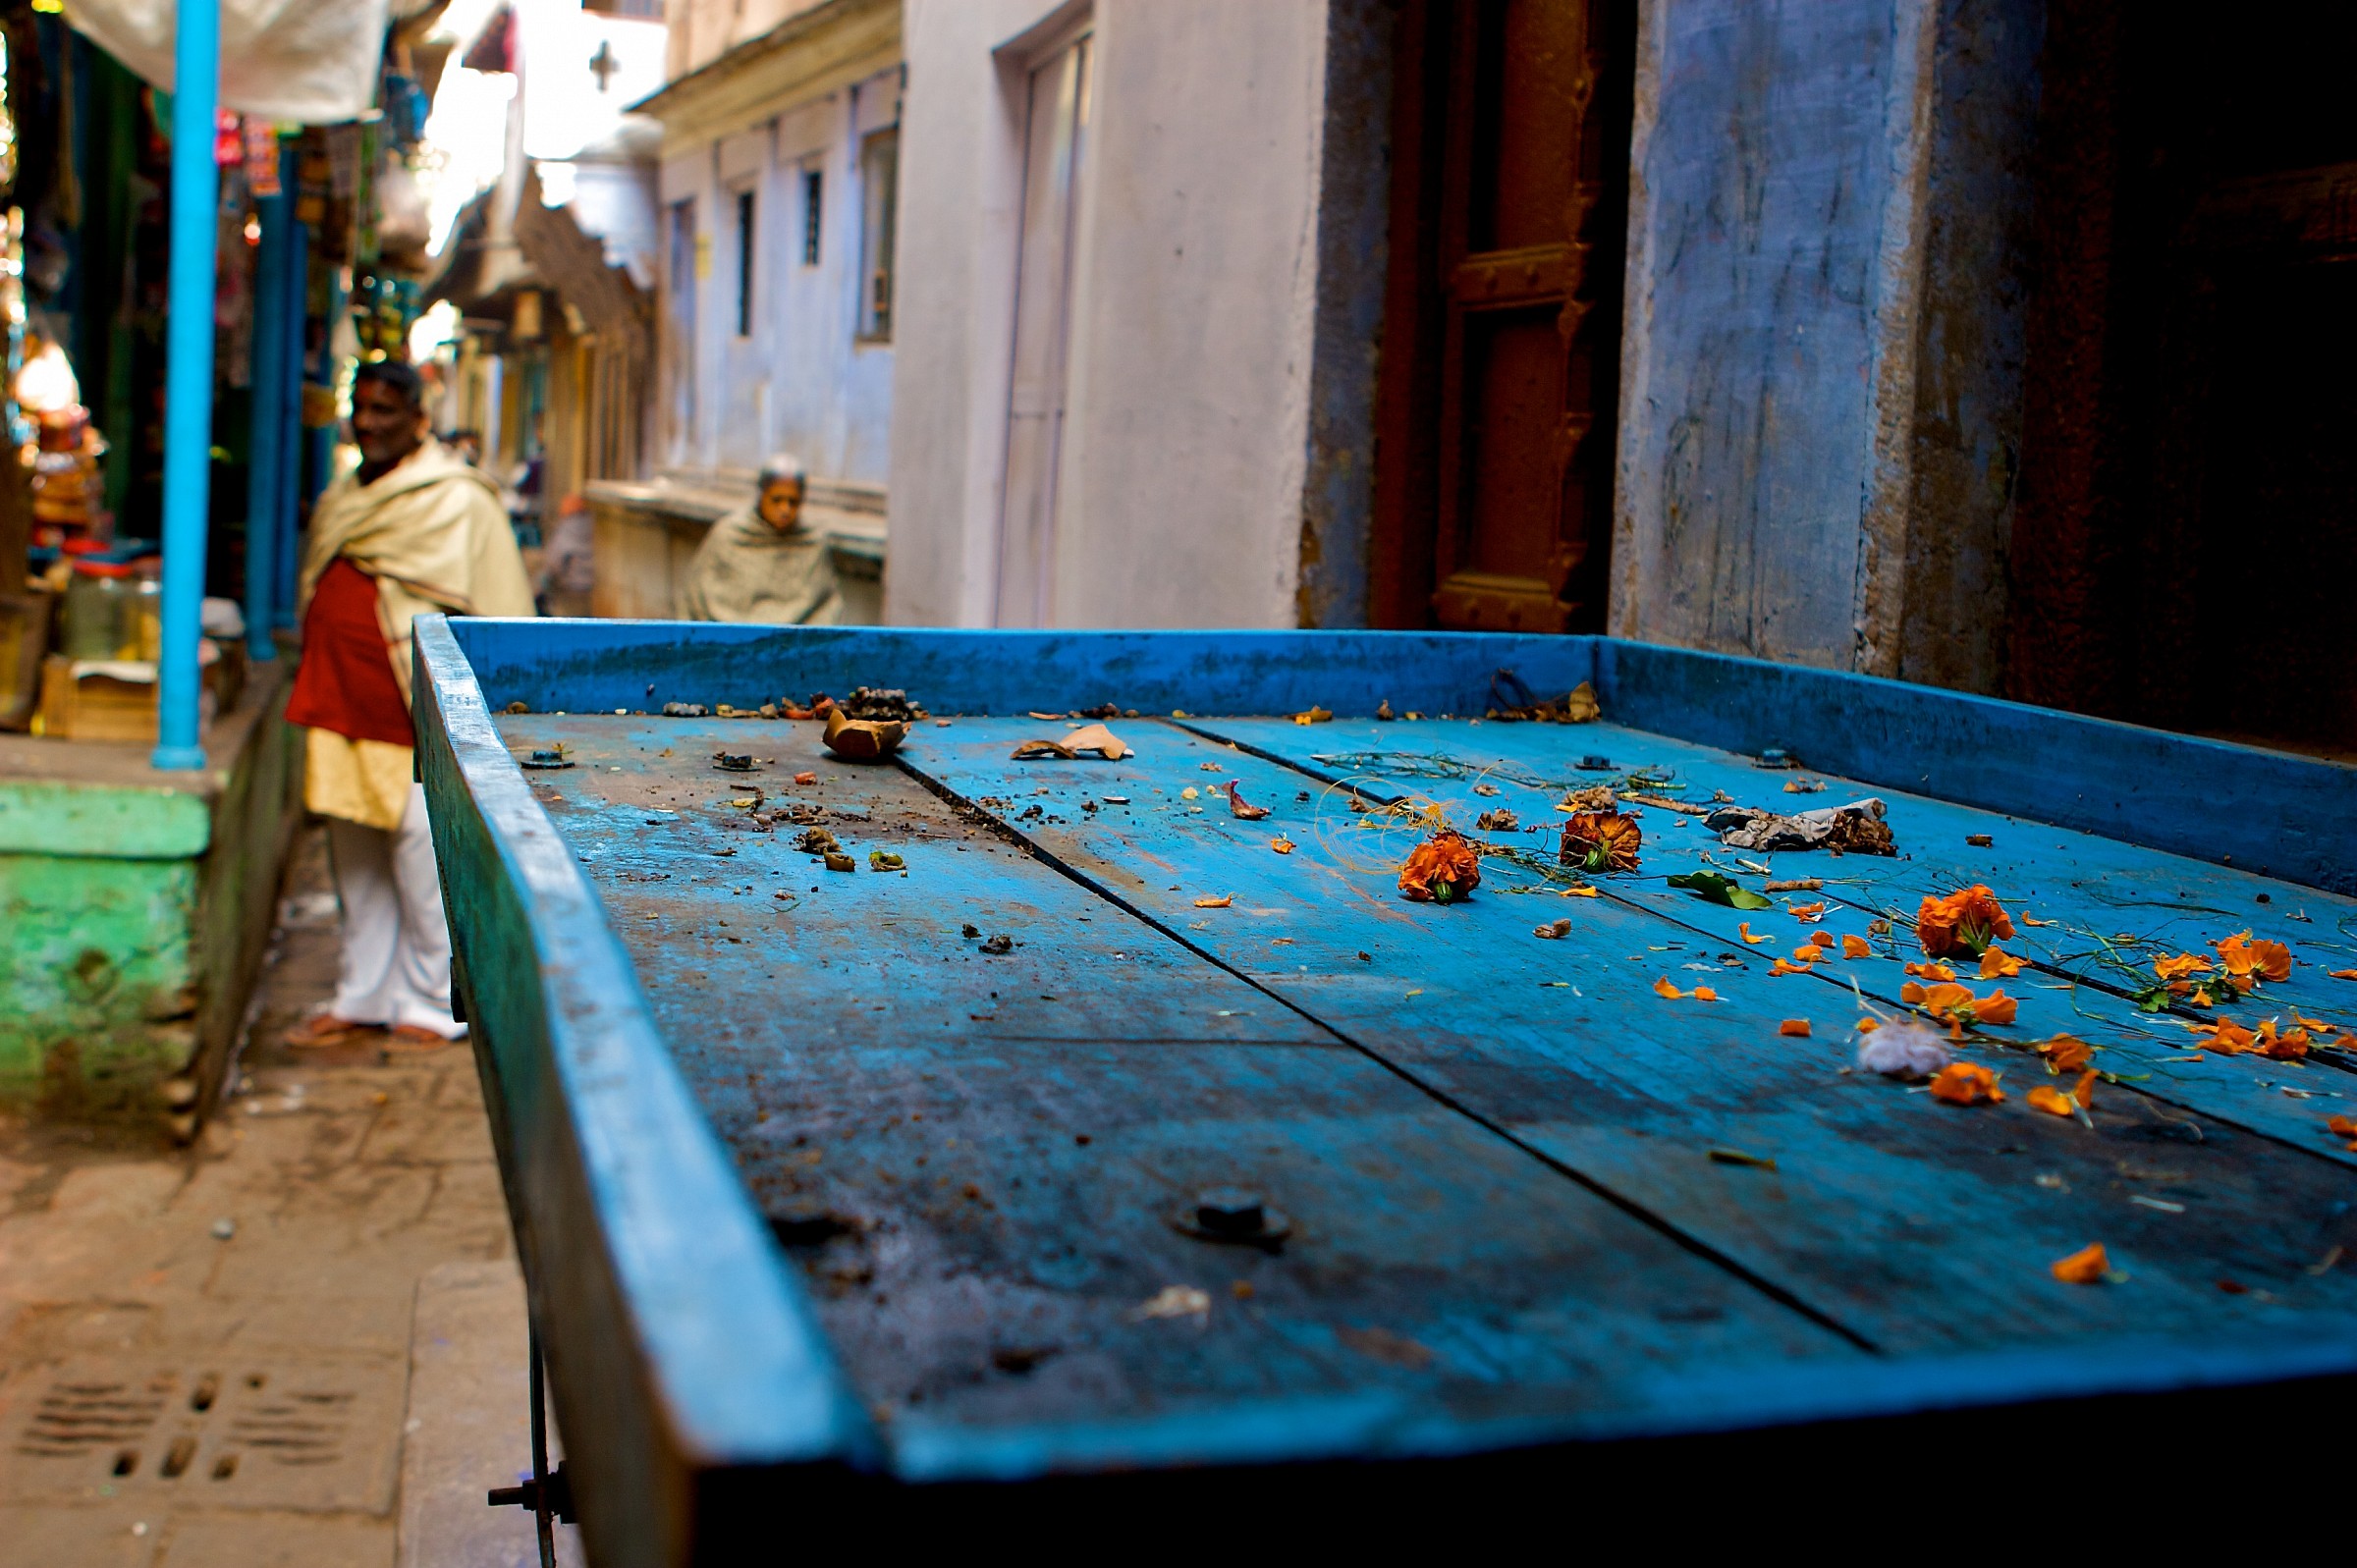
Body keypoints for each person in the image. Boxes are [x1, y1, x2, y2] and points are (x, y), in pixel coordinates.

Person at [281, 359, 535, 1049]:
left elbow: (502, 609)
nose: (369, 422)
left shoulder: (459, 498)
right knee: (353, 850)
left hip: (407, 707)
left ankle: (429, 1000)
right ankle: (363, 993)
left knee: (420, 852)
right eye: (361, 407)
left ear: (420, 418)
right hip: (339, 694)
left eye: (387, 410)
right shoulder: (346, 492)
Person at [678, 455, 842, 624]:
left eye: (793, 502)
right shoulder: (729, 534)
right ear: (761, 495)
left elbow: (826, 606)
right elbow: (695, 597)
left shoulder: (812, 541)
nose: (785, 509)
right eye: (777, 500)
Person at [537, 493, 596, 618]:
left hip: (570, 590)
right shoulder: (594, 525)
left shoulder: (566, 529)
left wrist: (547, 581)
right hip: (593, 590)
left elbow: (554, 562)